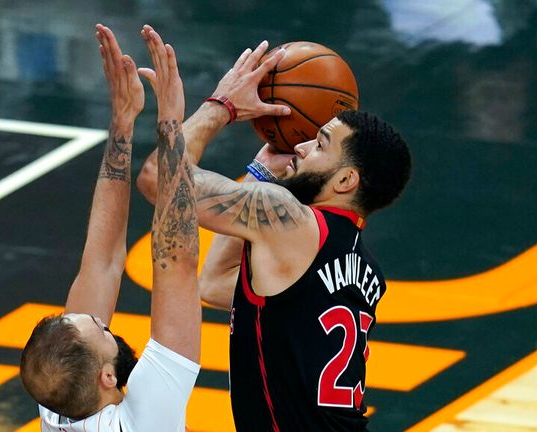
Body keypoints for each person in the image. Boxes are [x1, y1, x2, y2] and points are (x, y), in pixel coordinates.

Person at [137, 28, 411, 431]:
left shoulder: (289, 220)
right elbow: (214, 284)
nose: (300, 147)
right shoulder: (366, 268)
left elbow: (158, 180)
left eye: (319, 144)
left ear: (345, 181)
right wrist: (262, 173)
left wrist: (221, 106)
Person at [19, 24, 201, 431]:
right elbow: (178, 260)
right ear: (106, 378)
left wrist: (123, 124)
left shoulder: (62, 396)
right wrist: (171, 124)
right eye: (101, 328)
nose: (102, 320)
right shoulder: (146, 420)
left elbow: (101, 261)